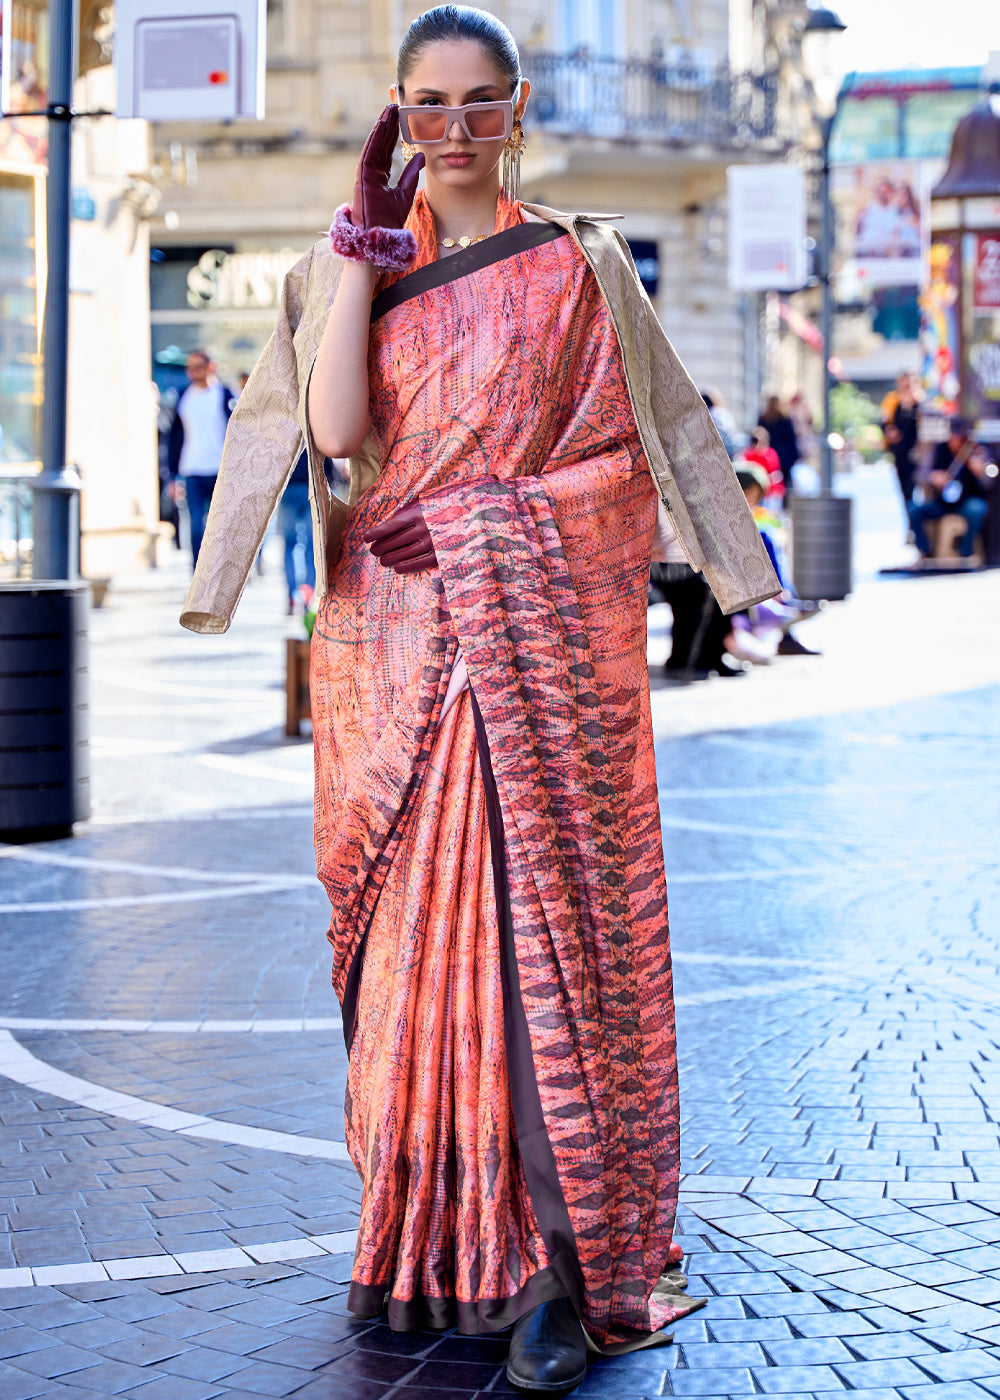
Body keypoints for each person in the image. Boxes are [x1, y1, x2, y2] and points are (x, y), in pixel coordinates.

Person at [179, 7, 777, 1391]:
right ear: (394, 114)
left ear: (519, 111)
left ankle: (565, 1268)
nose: (452, 127)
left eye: (477, 102)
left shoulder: (579, 266)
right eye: (427, 104)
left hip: (531, 657)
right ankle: (438, 1246)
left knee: (533, 960)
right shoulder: (352, 267)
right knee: (401, 969)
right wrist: (357, 248)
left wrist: (473, 530)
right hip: (388, 658)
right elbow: (333, 438)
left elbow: (629, 466)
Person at [166, 350, 236, 568]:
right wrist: (171, 476)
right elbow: (174, 439)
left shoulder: (225, 395)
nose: (193, 372)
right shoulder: (183, 397)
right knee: (196, 526)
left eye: (198, 367)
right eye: (190, 368)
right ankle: (198, 574)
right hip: (192, 469)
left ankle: (221, 570)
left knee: (222, 526)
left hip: (220, 470)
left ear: (210, 367)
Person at [908, 416, 990, 562]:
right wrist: (933, 477)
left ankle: (966, 552)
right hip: (942, 502)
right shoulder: (939, 449)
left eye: (960, 436)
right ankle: (926, 551)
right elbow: (920, 475)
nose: (956, 440)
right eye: (954, 436)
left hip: (966, 501)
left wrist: (979, 472)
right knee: (913, 510)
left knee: (977, 509)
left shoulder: (976, 450)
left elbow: (988, 482)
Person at [278, 449, 316, 613]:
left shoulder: (283, 423)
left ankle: (293, 595)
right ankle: (308, 596)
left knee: (289, 544)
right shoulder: (317, 423)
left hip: (288, 485)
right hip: (311, 484)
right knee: (311, 545)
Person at [880, 371, 921, 507]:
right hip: (899, 450)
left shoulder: (919, 402)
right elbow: (884, 420)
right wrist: (889, 430)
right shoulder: (893, 400)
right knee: (904, 487)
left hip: (916, 450)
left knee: (913, 485)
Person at [758, 394, 799, 493]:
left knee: (767, 484)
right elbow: (791, 439)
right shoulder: (785, 420)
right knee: (784, 486)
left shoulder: (763, 419)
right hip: (784, 457)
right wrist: (795, 456)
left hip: (769, 456)